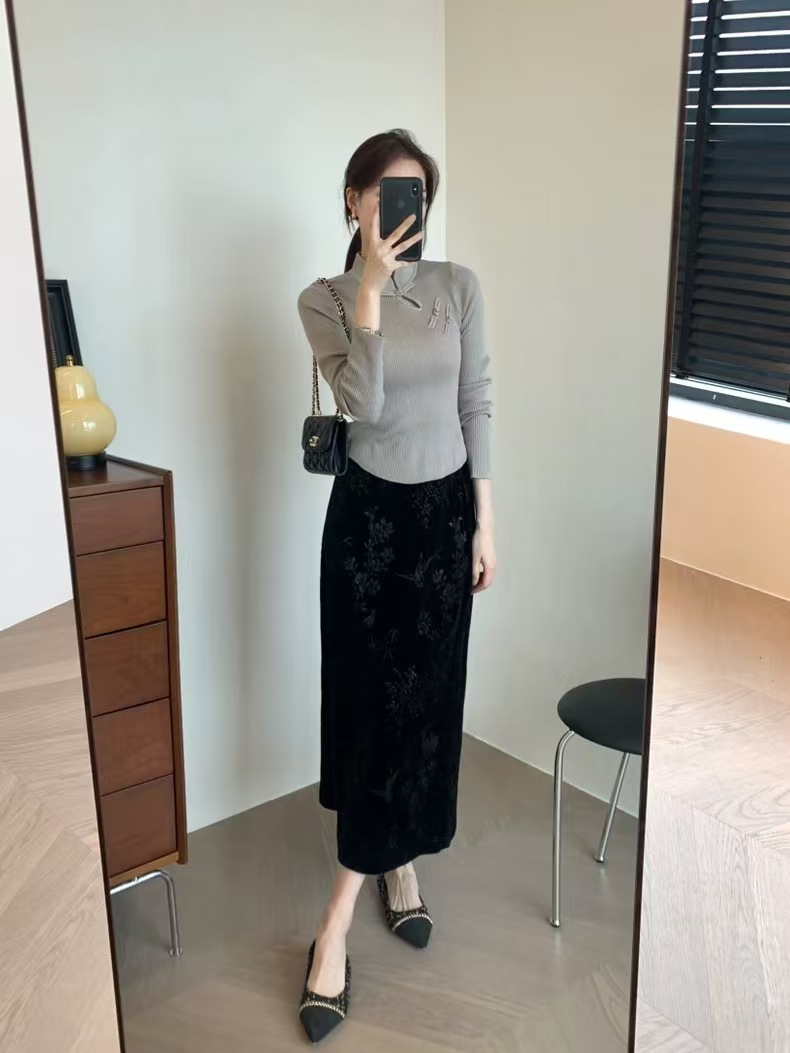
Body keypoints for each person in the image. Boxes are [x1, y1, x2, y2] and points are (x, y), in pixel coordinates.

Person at [296, 129, 495, 1043]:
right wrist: (372, 289)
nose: (402, 209)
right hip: (370, 529)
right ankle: (335, 923)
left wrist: (485, 521)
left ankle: (400, 859)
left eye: (417, 192)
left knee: (428, 707)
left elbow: (475, 401)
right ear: (354, 200)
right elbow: (365, 408)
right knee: (370, 712)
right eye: (387, 192)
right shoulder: (324, 298)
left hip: (446, 518)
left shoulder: (459, 286)